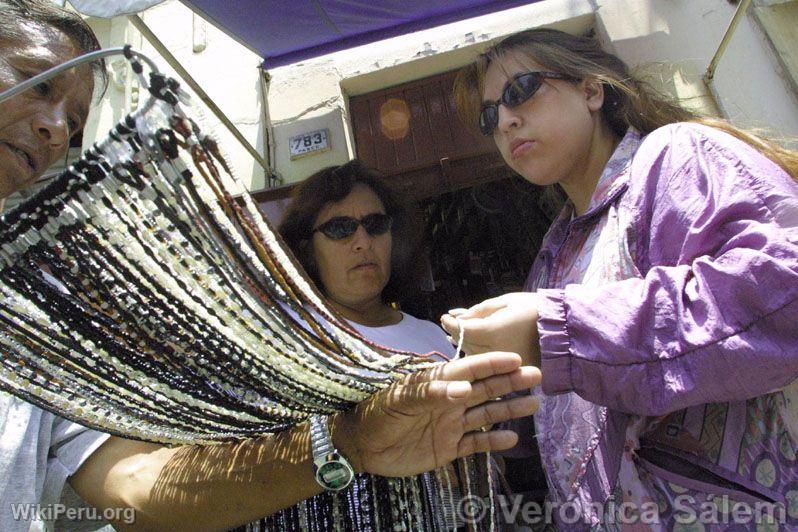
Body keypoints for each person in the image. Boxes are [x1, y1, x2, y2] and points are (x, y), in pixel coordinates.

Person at [0, 2, 542, 530]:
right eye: (36, 82)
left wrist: (351, 441)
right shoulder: (267, 339)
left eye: (375, 226)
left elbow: (135, 485)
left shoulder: (50, 316)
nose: (55, 128)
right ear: (306, 246)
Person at [442, 28, 798, 530]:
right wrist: (480, 400)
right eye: (488, 115)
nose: (504, 120)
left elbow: (783, 289)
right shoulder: (555, 255)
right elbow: (574, 415)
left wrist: (558, 332)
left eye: (520, 90)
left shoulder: (675, 156)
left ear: (591, 89)